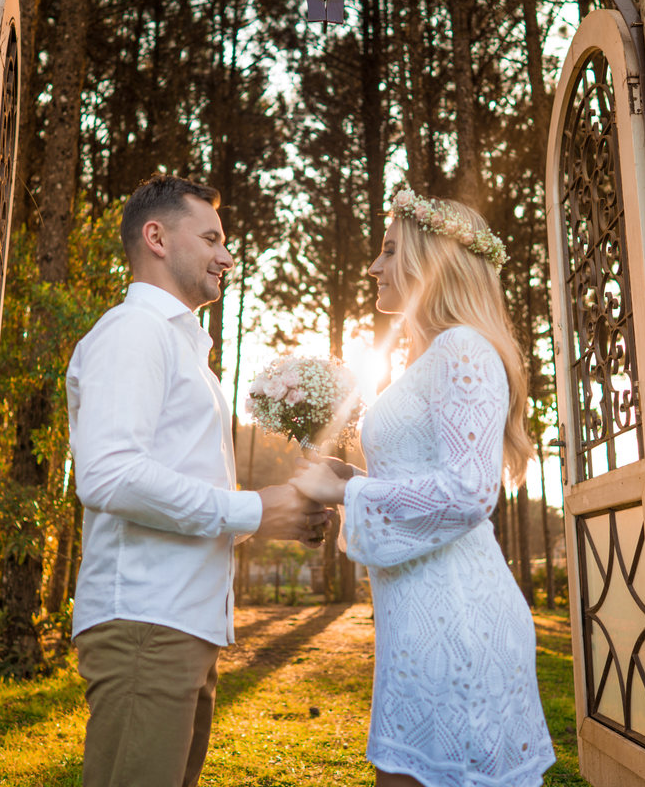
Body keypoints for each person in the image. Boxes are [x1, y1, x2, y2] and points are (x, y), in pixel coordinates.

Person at [67, 173, 330, 787]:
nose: (227, 256)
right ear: (156, 238)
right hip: (146, 626)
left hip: (183, 626)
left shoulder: (186, 351)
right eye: (211, 239)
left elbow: (184, 492)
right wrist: (252, 508)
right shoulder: (133, 332)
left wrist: (278, 514)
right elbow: (110, 476)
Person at [290, 186, 556, 787]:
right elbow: (428, 481)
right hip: (419, 618)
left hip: (457, 619)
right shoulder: (431, 357)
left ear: (431, 262)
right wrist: (352, 480)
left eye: (389, 250)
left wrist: (350, 495)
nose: (374, 266)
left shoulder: (463, 348)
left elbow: (469, 492)